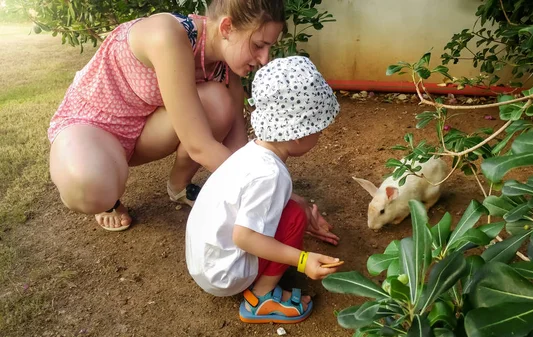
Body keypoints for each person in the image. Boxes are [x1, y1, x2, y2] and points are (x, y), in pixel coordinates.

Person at [47, 0, 286, 231]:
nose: (265, 59)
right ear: (226, 28)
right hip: (93, 124)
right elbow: (200, 146)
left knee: (219, 102)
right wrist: (275, 196)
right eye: (258, 45)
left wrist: (271, 196)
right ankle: (107, 200)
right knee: (90, 187)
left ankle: (179, 187)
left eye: (269, 48)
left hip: (143, 130)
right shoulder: (167, 34)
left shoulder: (226, 67)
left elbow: (236, 148)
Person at [185, 56, 342, 324]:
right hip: (224, 275)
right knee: (293, 217)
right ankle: (261, 297)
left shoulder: (252, 153)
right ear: (297, 133)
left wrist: (303, 205)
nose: (321, 133)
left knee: (294, 210)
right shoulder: (271, 175)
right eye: (318, 128)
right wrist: (303, 260)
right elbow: (244, 237)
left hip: (205, 262)